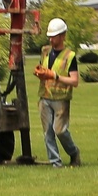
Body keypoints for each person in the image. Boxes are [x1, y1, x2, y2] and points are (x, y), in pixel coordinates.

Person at [33, 17, 82, 168]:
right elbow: (43, 68)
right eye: (50, 36)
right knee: (47, 131)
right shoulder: (45, 51)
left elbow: (74, 81)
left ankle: (74, 153)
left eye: (53, 36)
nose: (50, 39)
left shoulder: (70, 56)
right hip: (45, 96)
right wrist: (39, 72)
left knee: (60, 130)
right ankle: (56, 163)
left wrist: (55, 76)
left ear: (62, 36)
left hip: (61, 99)